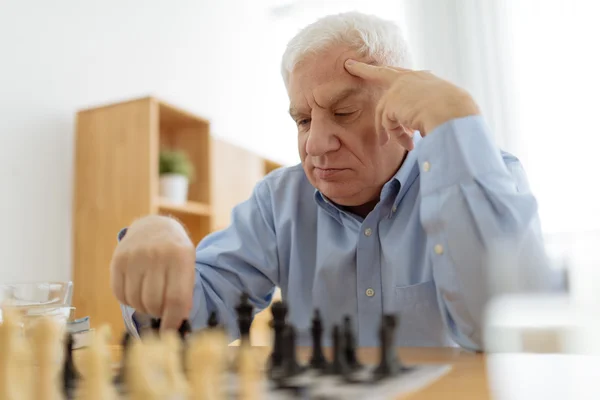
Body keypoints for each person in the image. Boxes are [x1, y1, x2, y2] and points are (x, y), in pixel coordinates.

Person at [110, 12, 559, 351]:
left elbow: (512, 331)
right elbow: (191, 326)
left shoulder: (482, 171)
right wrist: (159, 240)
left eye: (343, 112)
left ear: (400, 106)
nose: (317, 144)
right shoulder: (278, 201)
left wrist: (455, 120)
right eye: (303, 120)